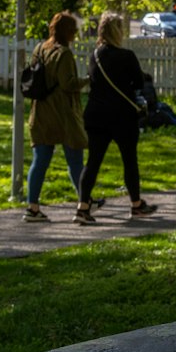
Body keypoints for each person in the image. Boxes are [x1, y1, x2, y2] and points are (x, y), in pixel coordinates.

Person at [74, 12, 157, 224]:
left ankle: (83, 207)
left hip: (96, 114)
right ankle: (136, 204)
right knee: (129, 161)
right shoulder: (127, 56)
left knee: (92, 162)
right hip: (122, 116)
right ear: (118, 31)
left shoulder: (95, 56)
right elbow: (138, 83)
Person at [24, 11, 88, 221]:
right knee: (75, 159)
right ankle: (85, 201)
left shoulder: (40, 48)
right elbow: (68, 84)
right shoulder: (64, 54)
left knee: (40, 160)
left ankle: (32, 206)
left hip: (40, 112)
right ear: (69, 32)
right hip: (63, 114)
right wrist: (87, 80)